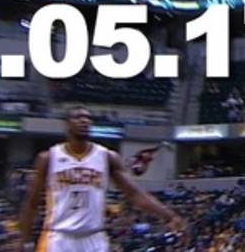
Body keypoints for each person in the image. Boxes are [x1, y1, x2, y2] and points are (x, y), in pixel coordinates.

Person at [18, 106, 186, 252]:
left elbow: (134, 194)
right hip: (58, 236)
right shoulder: (48, 158)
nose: (84, 121)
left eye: (88, 118)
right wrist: (23, 239)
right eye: (78, 117)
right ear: (66, 124)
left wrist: (169, 216)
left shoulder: (106, 157)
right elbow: (32, 202)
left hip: (94, 236)